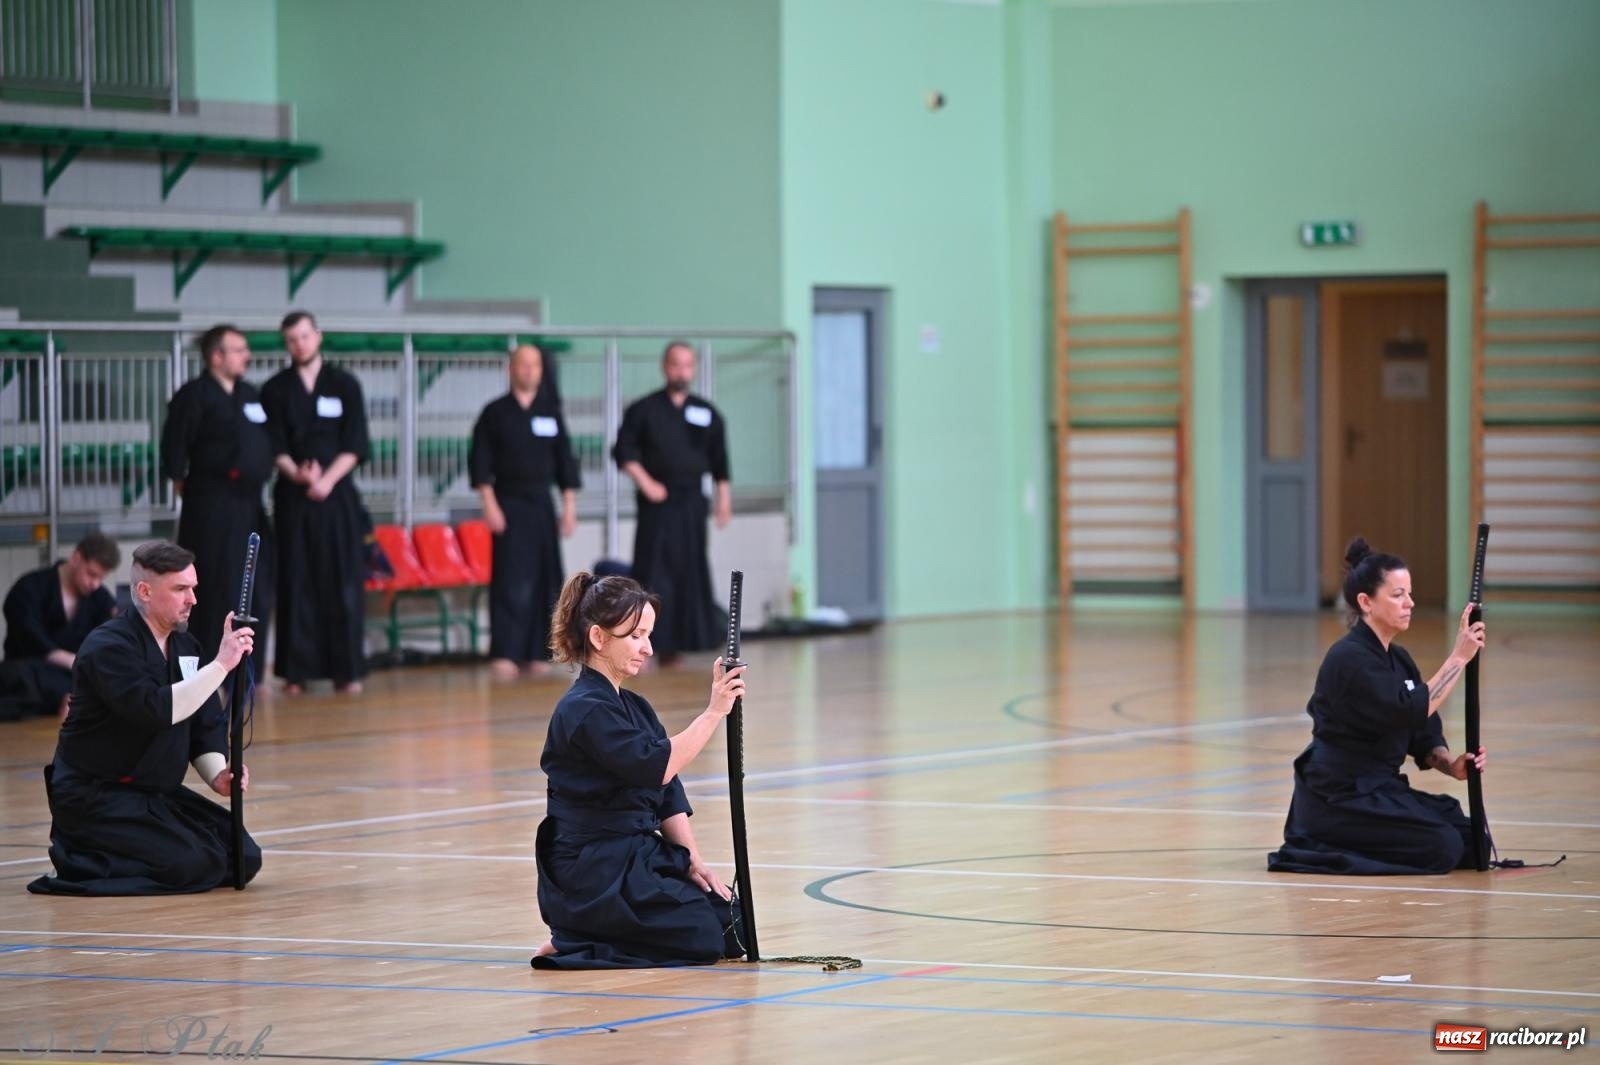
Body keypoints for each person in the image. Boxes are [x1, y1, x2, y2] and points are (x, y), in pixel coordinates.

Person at [532, 573, 747, 969]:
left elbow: (668, 794)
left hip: (632, 856)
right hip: (591, 869)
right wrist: (715, 711)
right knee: (701, 937)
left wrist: (693, 860)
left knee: (733, 926)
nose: (648, 648)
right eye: (635, 636)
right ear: (598, 638)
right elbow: (659, 766)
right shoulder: (584, 709)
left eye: (649, 635)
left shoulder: (635, 707)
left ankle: (592, 934)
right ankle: (577, 938)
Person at [27, 541, 260, 896]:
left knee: (244, 856)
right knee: (192, 865)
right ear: (145, 592)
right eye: (181, 589)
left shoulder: (185, 647)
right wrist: (221, 664)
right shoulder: (108, 648)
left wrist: (218, 776)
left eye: (193, 588)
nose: (192, 599)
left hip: (154, 796)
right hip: (98, 797)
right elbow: (157, 709)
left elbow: (203, 720)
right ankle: (81, 858)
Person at [1268, 537, 1488, 875]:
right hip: (1340, 798)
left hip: (1380, 791)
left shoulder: (1398, 659)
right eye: (1398, 595)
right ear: (1366, 602)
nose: (1410, 603)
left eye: (1410, 594)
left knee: (1475, 842)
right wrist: (1459, 657)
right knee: (1442, 847)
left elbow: (1421, 730)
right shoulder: (1349, 659)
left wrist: (1451, 765)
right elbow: (1409, 709)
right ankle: (1325, 842)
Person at [260, 310, 370, 695]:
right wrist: (298, 474)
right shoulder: (274, 389)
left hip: (337, 494)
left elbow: (356, 443)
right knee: (296, 579)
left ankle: (347, 670)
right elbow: (274, 444)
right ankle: (296, 673)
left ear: (318, 336)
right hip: (295, 496)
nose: (300, 344)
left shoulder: (344, 384)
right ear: (286, 343)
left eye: (305, 336)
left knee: (342, 580)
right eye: (292, 339)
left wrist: (325, 479)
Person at [161, 324, 275, 667]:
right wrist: (195, 492)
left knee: (256, 582)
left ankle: (249, 665)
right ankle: (210, 666)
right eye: (238, 350)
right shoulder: (193, 395)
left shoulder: (250, 395)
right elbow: (174, 455)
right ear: (216, 356)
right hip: (211, 505)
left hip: (251, 503)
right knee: (213, 584)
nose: (246, 356)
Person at [612, 341, 730, 664]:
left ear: (694, 369)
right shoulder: (644, 410)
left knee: (688, 571)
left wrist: (724, 500)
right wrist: (646, 482)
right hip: (658, 503)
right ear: (666, 367)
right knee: (653, 570)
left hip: (692, 502)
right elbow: (622, 451)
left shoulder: (705, 413)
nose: (682, 371)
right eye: (676, 364)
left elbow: (720, 461)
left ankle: (679, 644)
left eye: (688, 365)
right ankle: (642, 642)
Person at [469, 343, 581, 679]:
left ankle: (537, 651)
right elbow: (480, 463)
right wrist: (489, 504)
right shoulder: (495, 413)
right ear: (511, 370)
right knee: (510, 579)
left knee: (546, 578)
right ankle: (506, 650)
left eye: (535, 365)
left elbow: (565, 463)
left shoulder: (550, 412)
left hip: (542, 504)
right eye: (523, 365)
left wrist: (569, 508)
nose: (530, 371)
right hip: (508, 502)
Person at [0, 533, 120, 721]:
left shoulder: (100, 599)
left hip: (74, 679)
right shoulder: (29, 588)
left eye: (101, 578)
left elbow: (108, 642)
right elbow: (29, 638)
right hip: (30, 679)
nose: (95, 584)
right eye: (91, 574)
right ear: (76, 558)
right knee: (19, 676)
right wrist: (74, 662)